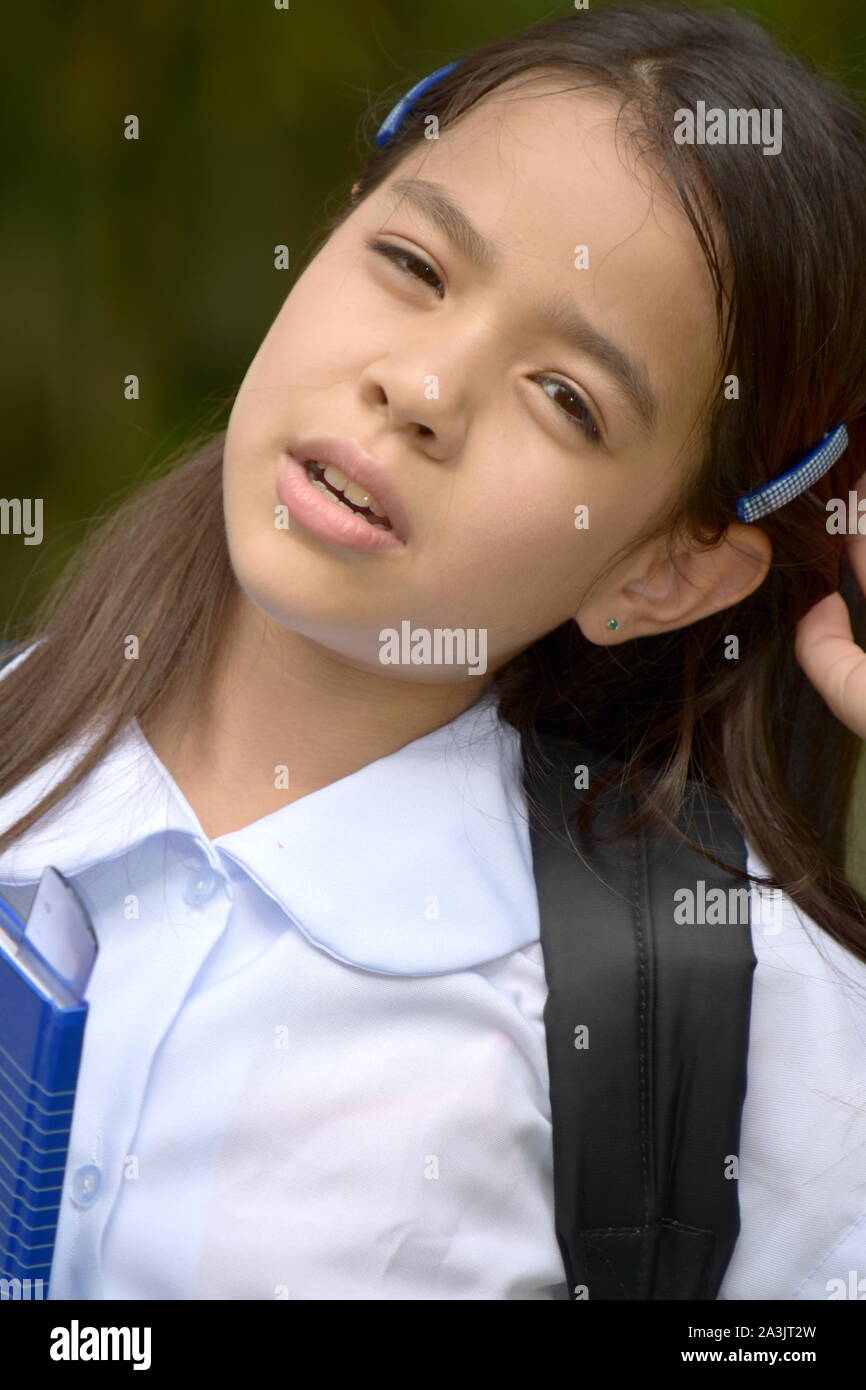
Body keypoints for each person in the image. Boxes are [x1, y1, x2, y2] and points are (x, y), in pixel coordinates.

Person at [1, 2, 865, 1300]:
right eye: (413, 263)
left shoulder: (728, 1014)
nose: (420, 386)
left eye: (566, 397)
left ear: (664, 568)